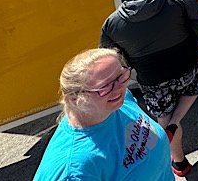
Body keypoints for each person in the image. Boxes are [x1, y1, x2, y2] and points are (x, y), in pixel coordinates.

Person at [100, 0, 198, 177]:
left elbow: (111, 57)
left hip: (151, 80)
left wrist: (134, 63)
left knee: (163, 114)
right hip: (188, 68)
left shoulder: (112, 23)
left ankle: (178, 162)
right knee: (191, 90)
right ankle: (174, 124)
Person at [34, 48, 173, 180]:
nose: (119, 88)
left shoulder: (120, 101)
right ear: (74, 99)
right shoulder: (73, 171)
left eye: (121, 76)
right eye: (105, 87)